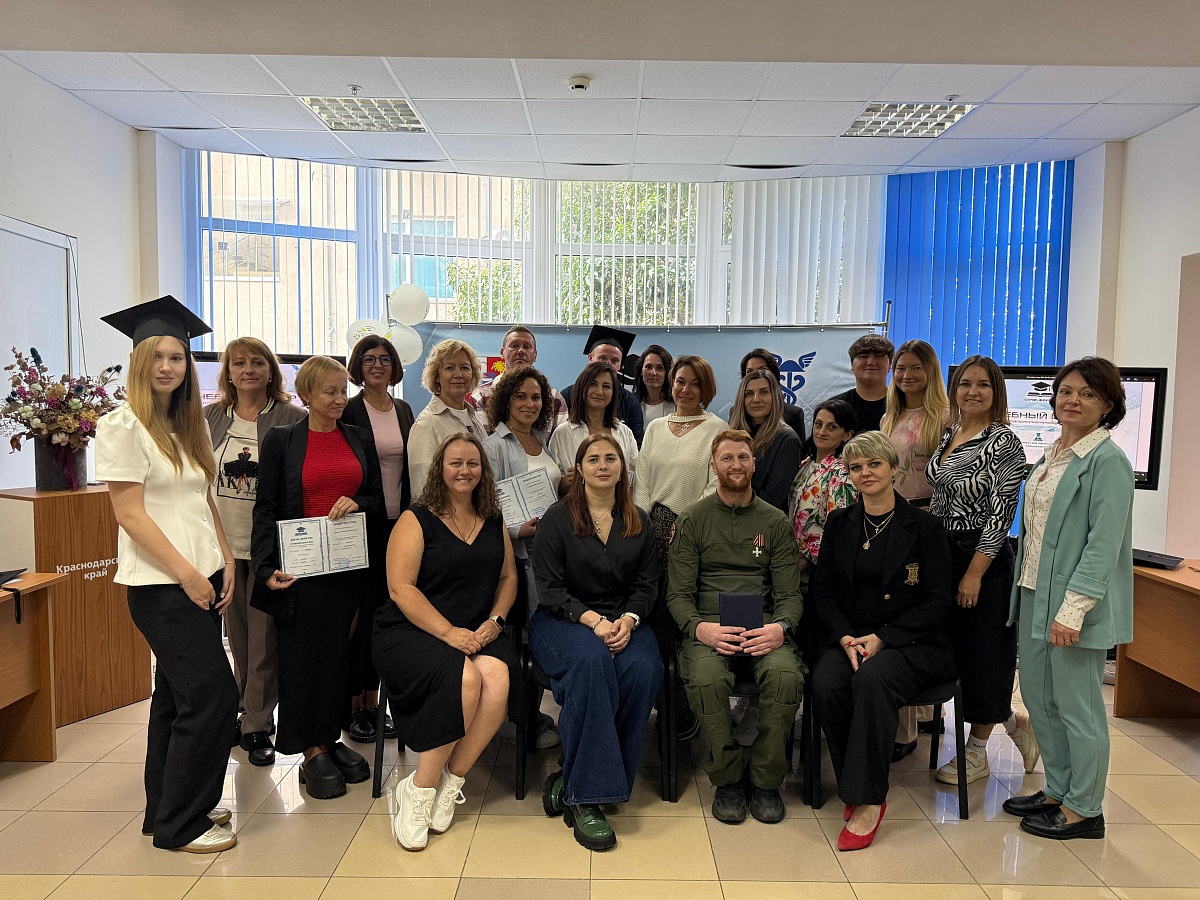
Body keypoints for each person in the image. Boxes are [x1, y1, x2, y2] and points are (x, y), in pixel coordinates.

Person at [97, 295, 239, 853]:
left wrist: (225, 559)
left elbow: (203, 499)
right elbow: (130, 514)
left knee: (175, 699)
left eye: (176, 357)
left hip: (203, 578)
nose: (166, 367)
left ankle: (166, 808)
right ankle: (183, 824)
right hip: (162, 587)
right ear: (138, 361)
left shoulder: (186, 424)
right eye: (156, 356)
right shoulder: (122, 426)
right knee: (213, 697)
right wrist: (187, 574)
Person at [1004, 357, 1134, 841]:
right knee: (1041, 700)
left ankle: (1085, 808)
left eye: (1088, 394)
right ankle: (1058, 789)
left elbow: (1103, 545)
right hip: (1034, 592)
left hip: (1073, 605)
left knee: (1079, 708)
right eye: (1066, 391)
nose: (1073, 400)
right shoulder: (1051, 455)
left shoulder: (1108, 461)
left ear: (1108, 405)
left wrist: (1074, 609)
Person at [811, 431, 955, 851]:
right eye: (856, 467)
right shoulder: (840, 523)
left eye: (874, 464)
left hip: (911, 642)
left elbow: (937, 601)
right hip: (850, 638)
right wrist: (844, 637)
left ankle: (870, 800)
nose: (866, 473)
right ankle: (853, 785)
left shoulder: (925, 527)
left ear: (894, 468)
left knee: (873, 680)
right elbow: (822, 590)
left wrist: (884, 638)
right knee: (826, 682)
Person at [373, 434, 517, 851]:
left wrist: (496, 620)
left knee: (497, 680)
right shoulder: (416, 519)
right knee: (465, 680)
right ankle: (419, 788)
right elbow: (401, 589)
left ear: (483, 471)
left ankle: (451, 782)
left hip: (477, 629)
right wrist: (448, 633)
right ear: (440, 468)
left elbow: (508, 577)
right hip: (412, 630)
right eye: (455, 463)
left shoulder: (493, 518)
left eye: (473, 463)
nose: (464, 471)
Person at [251, 356, 384, 800]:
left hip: (349, 567)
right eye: (330, 391)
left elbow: (376, 498)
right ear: (306, 394)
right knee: (302, 658)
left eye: (343, 390)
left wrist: (358, 502)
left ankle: (328, 738)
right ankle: (309, 750)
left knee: (340, 657)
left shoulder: (359, 438)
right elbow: (266, 507)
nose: (340, 399)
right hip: (300, 570)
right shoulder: (282, 440)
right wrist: (265, 567)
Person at [530, 435, 662, 851]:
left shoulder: (639, 521)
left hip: (622, 619)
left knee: (644, 668)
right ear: (579, 469)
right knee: (591, 664)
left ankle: (575, 778)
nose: (603, 465)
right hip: (562, 620)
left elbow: (647, 586)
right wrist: (594, 621)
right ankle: (586, 799)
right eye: (593, 459)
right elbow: (550, 590)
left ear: (622, 468)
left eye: (610, 458)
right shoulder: (556, 519)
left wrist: (629, 619)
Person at [667, 429, 805, 825]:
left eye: (743, 457)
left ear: (754, 463)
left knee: (786, 676)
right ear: (714, 466)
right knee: (706, 679)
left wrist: (781, 628)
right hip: (709, 629)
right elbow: (677, 595)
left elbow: (790, 595)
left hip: (764, 628)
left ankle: (765, 780)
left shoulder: (774, 521)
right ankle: (727, 778)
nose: (736, 465)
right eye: (727, 458)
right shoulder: (693, 519)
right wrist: (700, 629)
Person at [925, 354, 1038, 786]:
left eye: (983, 384)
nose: (972, 391)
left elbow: (1000, 516)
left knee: (985, 655)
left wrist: (974, 574)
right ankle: (1014, 723)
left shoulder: (1004, 442)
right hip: (943, 553)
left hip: (982, 558)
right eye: (965, 383)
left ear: (997, 392)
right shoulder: (952, 432)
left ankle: (976, 752)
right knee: (955, 653)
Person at [203, 336, 306, 767]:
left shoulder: (292, 417)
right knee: (238, 637)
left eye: (258, 362)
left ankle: (259, 724)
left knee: (264, 639)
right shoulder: (209, 416)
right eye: (239, 363)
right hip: (220, 545)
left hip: (267, 546)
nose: (248, 370)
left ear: (271, 371)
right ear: (228, 372)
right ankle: (244, 710)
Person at [635, 354, 728, 739]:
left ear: (706, 388)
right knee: (653, 617)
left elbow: (715, 483)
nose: (685, 389)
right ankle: (659, 704)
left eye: (693, 383)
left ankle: (682, 712)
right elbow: (642, 478)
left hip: (692, 534)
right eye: (679, 382)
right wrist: (639, 525)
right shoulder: (655, 427)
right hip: (650, 532)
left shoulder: (717, 429)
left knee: (681, 619)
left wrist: (686, 525)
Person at [339, 335, 415, 745]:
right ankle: (353, 706)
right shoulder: (349, 409)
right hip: (360, 524)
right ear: (358, 365)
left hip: (397, 525)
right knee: (360, 618)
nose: (378, 365)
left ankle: (374, 701)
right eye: (369, 359)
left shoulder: (403, 409)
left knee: (385, 617)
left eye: (385, 359)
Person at [483, 364, 562, 750]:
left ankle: (530, 713)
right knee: (521, 638)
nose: (529, 404)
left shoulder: (542, 439)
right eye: (521, 396)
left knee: (539, 633)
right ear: (506, 400)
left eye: (536, 397)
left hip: (546, 553)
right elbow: (485, 505)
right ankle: (516, 719)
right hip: (516, 555)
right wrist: (517, 531)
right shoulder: (494, 445)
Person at [879, 339, 950, 758]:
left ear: (930, 371)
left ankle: (916, 718)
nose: (906, 375)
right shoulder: (890, 415)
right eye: (901, 368)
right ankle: (906, 721)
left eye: (915, 368)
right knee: (896, 611)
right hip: (892, 519)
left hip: (928, 523)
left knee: (919, 611)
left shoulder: (945, 417)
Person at [789, 398, 859, 585]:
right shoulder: (806, 464)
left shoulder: (843, 473)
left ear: (847, 435)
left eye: (832, 427)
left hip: (819, 572)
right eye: (818, 424)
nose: (821, 432)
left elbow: (839, 531)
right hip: (793, 566)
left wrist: (806, 560)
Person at [407, 339, 488, 497]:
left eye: (464, 368)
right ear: (437, 376)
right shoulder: (426, 425)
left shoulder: (473, 416)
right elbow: (423, 490)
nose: (458, 375)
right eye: (450, 368)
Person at [549, 360, 638, 485]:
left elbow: (634, 480)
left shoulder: (625, 433)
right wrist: (569, 481)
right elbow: (554, 484)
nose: (599, 392)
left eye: (606, 386)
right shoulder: (562, 434)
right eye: (593, 384)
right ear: (581, 388)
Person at [467, 325, 568, 434]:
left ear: (535, 355)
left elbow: (561, 440)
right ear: (502, 353)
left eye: (527, 347)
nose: (521, 351)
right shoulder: (481, 397)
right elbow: (481, 441)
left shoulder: (554, 398)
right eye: (514, 346)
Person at [728, 369, 802, 511]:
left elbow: (774, 500)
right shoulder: (732, 436)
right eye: (749, 394)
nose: (756, 399)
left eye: (764, 392)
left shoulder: (787, 439)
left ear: (775, 396)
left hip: (760, 519)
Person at [559, 325, 645, 445]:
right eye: (603, 358)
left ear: (620, 365)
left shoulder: (630, 403)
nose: (608, 364)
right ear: (590, 358)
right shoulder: (567, 397)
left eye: (614, 361)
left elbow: (636, 445)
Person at [740, 348, 807, 441]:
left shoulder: (793, 414)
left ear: (773, 375)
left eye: (762, 369)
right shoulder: (736, 413)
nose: (756, 375)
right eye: (749, 371)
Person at [830, 334, 894, 432]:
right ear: (852, 365)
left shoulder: (905, 404)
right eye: (863, 356)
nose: (871, 362)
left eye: (879, 356)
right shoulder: (834, 407)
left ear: (890, 365)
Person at [634, 343, 676, 426]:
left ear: (667, 373)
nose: (653, 373)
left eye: (659, 368)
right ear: (641, 371)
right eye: (648, 367)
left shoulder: (677, 405)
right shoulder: (632, 404)